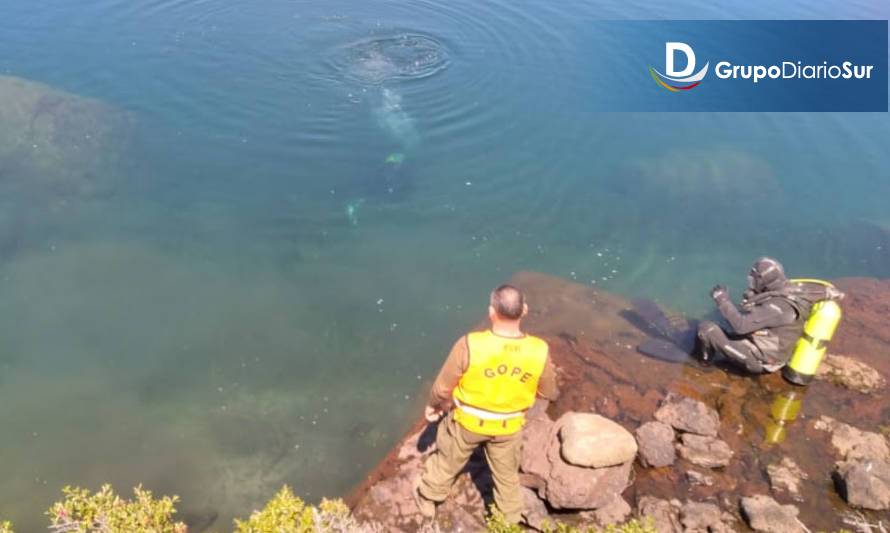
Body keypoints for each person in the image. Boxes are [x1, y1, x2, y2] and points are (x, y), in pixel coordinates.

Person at [414, 284, 559, 523]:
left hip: (468, 423)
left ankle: (429, 499)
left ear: (491, 311)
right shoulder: (539, 349)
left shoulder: (470, 343)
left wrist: (433, 404)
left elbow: (442, 387)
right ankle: (508, 521)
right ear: (524, 310)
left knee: (448, 461)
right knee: (506, 477)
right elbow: (548, 391)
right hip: (509, 426)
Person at [697, 257, 828, 373]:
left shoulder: (777, 308)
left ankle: (703, 364)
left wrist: (723, 301)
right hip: (770, 344)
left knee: (707, 329)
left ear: (763, 280)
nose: (751, 283)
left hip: (762, 361)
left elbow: (741, 327)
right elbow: (827, 290)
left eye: (754, 280)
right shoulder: (793, 290)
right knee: (726, 322)